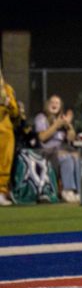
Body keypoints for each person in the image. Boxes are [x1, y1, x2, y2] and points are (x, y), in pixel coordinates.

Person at [33, 94, 82, 203]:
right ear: (47, 105)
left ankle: (79, 191)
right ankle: (67, 190)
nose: (54, 104)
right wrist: (56, 125)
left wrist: (69, 125)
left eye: (57, 103)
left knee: (76, 156)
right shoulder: (41, 117)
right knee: (66, 157)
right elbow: (42, 137)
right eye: (52, 102)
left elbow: (71, 138)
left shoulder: (61, 119)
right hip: (46, 152)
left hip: (61, 149)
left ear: (60, 107)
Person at [0, 72, 19, 206]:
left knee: (4, 163)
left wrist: (8, 104)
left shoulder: (7, 89)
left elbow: (15, 112)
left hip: (5, 133)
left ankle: (1, 193)